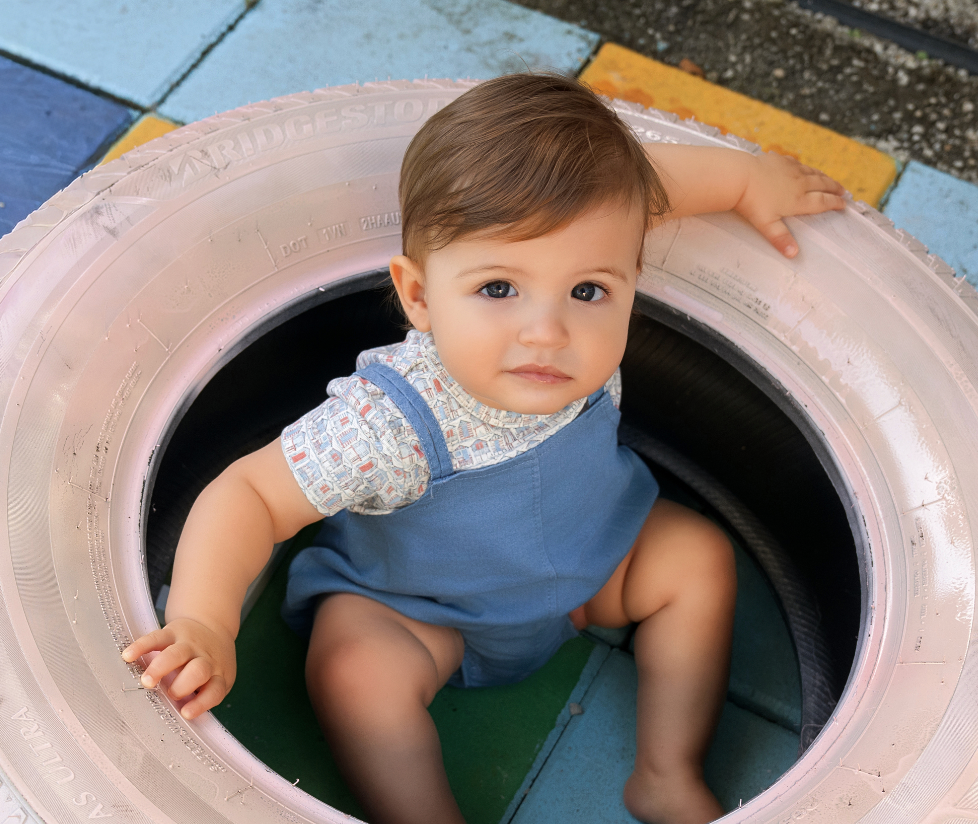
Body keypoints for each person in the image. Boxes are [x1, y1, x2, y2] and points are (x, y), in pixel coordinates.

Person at [123, 73, 845, 824]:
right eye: (499, 288)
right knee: (352, 673)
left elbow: (644, 185)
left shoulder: (586, 281)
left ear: (631, 275)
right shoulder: (391, 421)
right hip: (421, 613)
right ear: (419, 295)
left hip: (589, 566)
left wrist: (746, 178)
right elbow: (250, 494)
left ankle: (666, 772)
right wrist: (207, 620)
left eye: (589, 291)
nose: (548, 330)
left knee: (698, 558)